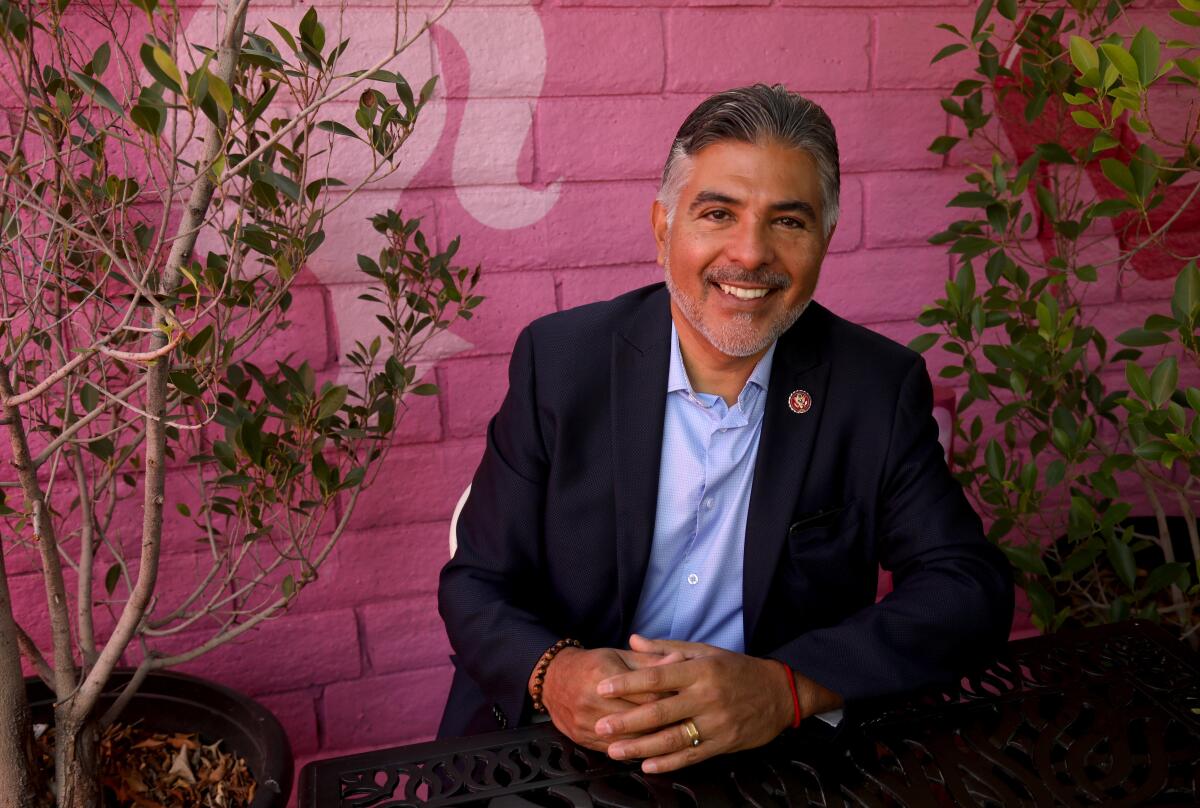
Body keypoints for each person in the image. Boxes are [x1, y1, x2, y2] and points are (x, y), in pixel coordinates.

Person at [437, 84, 1014, 774]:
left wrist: (786, 689)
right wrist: (553, 676)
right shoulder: (561, 363)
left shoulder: (874, 390)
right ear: (663, 229)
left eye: (789, 222)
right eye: (718, 213)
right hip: (561, 746)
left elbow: (968, 589)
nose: (750, 254)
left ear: (825, 241)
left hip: (767, 748)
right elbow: (475, 580)